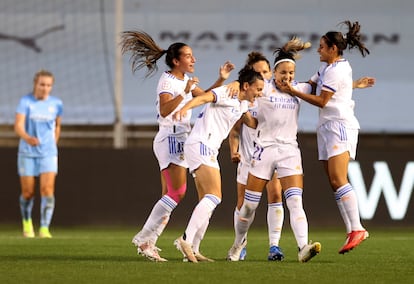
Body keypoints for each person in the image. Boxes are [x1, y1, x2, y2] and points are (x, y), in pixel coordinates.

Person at [120, 30, 235, 262]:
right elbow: (164, 110)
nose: (193, 59)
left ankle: (149, 242)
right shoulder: (169, 80)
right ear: (176, 61)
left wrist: (221, 79)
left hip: (181, 137)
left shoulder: (185, 81)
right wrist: (184, 91)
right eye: (189, 56)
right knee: (177, 193)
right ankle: (144, 238)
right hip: (171, 136)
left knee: (171, 194)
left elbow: (205, 98)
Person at [277, 21, 373, 254]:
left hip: (339, 125)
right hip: (326, 127)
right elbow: (310, 86)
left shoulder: (338, 69)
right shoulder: (328, 68)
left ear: (332, 49)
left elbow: (322, 100)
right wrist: (283, 85)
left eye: (322, 46)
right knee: (333, 180)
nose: (318, 50)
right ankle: (352, 230)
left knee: (339, 178)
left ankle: (358, 228)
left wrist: (292, 91)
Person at [227, 37, 322, 263]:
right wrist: (241, 110)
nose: (287, 77)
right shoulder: (264, 89)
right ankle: (237, 245)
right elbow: (252, 120)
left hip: (289, 150)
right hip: (264, 150)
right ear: (274, 73)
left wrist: (354, 85)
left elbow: (324, 82)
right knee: (249, 206)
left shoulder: (300, 88)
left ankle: (302, 247)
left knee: (295, 201)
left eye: (291, 73)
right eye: (283, 73)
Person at [173, 66, 264, 263]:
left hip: (208, 148)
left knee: (207, 201)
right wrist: (184, 108)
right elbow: (203, 98)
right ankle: (185, 239)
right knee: (215, 196)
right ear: (246, 85)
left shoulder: (242, 104)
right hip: (201, 144)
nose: (259, 93)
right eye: (257, 89)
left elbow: (252, 123)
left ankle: (194, 249)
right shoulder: (227, 92)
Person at [228, 51, 285, 261]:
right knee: (243, 203)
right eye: (258, 72)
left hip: (271, 153)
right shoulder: (246, 99)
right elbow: (234, 130)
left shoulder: (277, 96)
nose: (263, 75)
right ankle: (240, 245)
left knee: (276, 195)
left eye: (266, 71)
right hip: (248, 156)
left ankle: (274, 246)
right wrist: (233, 150)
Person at [14, 69, 63, 238]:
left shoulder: (56, 104)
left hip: (48, 153)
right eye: (42, 84)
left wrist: (53, 143)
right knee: (28, 192)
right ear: (36, 84)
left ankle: (44, 228)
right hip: (27, 152)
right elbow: (18, 125)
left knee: (47, 190)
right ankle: (27, 222)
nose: (45, 88)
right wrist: (27, 138)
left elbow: (57, 125)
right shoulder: (25, 102)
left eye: (48, 85)